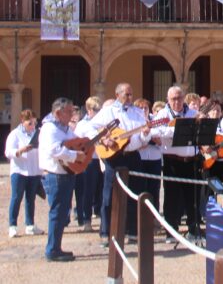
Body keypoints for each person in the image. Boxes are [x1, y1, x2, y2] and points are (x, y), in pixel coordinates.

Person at [87, 83, 150, 247]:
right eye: (126, 95)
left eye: (131, 94)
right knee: (109, 195)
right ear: (117, 95)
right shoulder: (108, 111)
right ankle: (106, 232)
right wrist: (103, 139)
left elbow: (143, 139)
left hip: (133, 156)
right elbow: (90, 127)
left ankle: (132, 231)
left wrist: (145, 134)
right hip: (114, 156)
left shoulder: (138, 112)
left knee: (135, 193)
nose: (129, 98)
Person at [38, 98, 87, 262]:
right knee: (57, 213)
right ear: (58, 113)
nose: (72, 114)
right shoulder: (49, 128)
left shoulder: (64, 129)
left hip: (65, 173)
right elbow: (54, 150)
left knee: (62, 213)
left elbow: (75, 141)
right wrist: (75, 155)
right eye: (69, 111)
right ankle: (52, 250)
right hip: (56, 175)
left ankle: (56, 247)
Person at [155, 85, 201, 241]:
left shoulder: (192, 113)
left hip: (191, 161)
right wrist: (177, 130)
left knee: (192, 197)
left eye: (179, 98)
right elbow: (156, 131)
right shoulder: (163, 114)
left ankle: (194, 230)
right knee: (171, 198)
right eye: (173, 99)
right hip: (172, 161)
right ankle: (171, 231)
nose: (177, 101)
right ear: (168, 100)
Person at [5, 108, 44, 238]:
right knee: (16, 197)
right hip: (19, 170)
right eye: (30, 123)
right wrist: (20, 150)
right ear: (23, 121)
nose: (32, 126)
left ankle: (30, 225)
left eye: (34, 123)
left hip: (34, 171)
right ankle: (12, 226)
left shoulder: (37, 134)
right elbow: (8, 152)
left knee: (31, 199)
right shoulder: (15, 134)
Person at [73, 97, 102, 232]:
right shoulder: (82, 125)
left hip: (101, 159)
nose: (98, 112)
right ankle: (86, 220)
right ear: (89, 110)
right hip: (89, 161)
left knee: (100, 190)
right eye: (96, 110)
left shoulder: (102, 123)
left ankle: (102, 218)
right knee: (87, 191)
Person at [135, 98, 163, 210]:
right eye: (140, 108)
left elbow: (161, 140)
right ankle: (140, 214)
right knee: (140, 187)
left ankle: (154, 213)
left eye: (145, 108)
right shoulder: (134, 121)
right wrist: (144, 142)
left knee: (154, 188)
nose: (143, 110)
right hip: (139, 158)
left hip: (154, 158)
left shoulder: (156, 121)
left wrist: (151, 139)